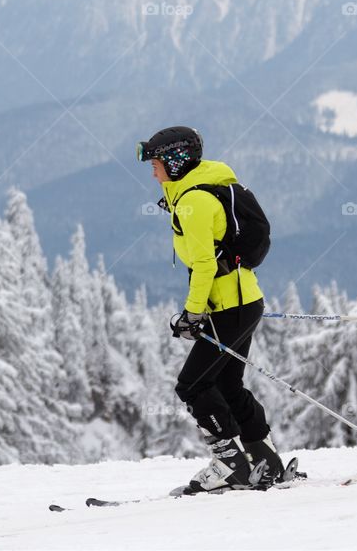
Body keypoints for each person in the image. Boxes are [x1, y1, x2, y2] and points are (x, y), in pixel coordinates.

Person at [137, 125, 284, 493]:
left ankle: (230, 464)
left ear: (174, 162)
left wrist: (192, 314)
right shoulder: (198, 189)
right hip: (243, 303)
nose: (153, 172)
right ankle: (264, 461)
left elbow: (204, 265)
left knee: (192, 385)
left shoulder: (195, 202)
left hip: (228, 308)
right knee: (226, 383)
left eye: (156, 164)